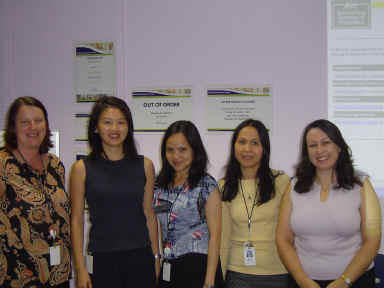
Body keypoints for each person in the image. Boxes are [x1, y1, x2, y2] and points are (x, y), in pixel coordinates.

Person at [276, 119, 382, 288]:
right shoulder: (294, 186)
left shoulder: (361, 185)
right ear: (306, 152)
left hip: (354, 281)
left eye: (326, 143)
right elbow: (283, 238)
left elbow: (372, 240)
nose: (319, 150)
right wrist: (303, 280)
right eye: (312, 145)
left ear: (339, 147)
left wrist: (344, 281)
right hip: (304, 283)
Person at [70, 96, 160, 288]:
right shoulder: (81, 168)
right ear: (96, 127)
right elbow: (76, 220)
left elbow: (149, 214)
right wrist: (80, 268)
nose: (115, 129)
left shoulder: (145, 165)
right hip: (102, 258)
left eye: (121, 122)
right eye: (107, 122)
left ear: (128, 127)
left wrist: (156, 257)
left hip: (140, 257)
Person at [0, 96, 71, 287]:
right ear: (14, 127)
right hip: (19, 275)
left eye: (38, 121)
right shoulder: (3, 164)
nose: (33, 127)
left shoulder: (55, 165)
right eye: (25, 122)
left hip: (58, 273)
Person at [220, 119, 290, 288]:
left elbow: (290, 233)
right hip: (237, 273)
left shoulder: (281, 182)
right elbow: (224, 236)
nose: (247, 149)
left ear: (264, 148)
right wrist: (220, 276)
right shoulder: (224, 186)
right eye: (242, 142)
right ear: (234, 146)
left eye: (255, 143)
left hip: (276, 272)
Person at [153, 120, 223, 288]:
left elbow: (215, 237)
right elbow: (160, 230)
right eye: (170, 150)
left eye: (183, 149)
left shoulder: (206, 184)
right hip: (170, 266)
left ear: (194, 150)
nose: (176, 156)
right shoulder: (158, 186)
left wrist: (209, 282)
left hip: (200, 268)